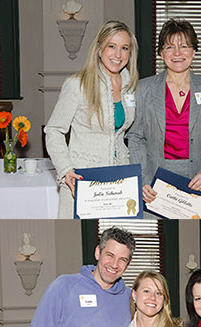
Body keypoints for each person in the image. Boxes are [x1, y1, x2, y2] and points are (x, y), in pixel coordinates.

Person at [127, 19, 201, 214]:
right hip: (154, 186)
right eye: (170, 47)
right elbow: (136, 137)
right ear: (161, 53)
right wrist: (143, 178)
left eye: (184, 46)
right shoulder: (144, 89)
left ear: (194, 51)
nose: (177, 53)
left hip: (199, 184)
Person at [44, 21, 139, 218]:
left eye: (124, 48)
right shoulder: (77, 85)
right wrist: (65, 170)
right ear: (99, 49)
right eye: (111, 46)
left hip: (119, 182)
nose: (118, 55)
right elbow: (53, 131)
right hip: (82, 179)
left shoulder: (132, 86)